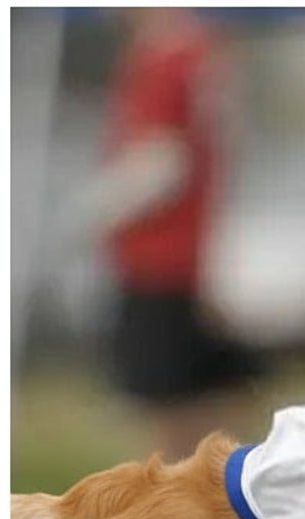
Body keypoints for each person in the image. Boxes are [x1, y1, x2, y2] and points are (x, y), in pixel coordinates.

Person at [78, 7, 264, 462]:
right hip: (192, 250)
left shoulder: (165, 59)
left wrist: (95, 212)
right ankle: (232, 490)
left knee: (165, 403)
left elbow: (161, 161)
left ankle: (175, 505)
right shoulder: (205, 52)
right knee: (212, 392)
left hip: (157, 257)